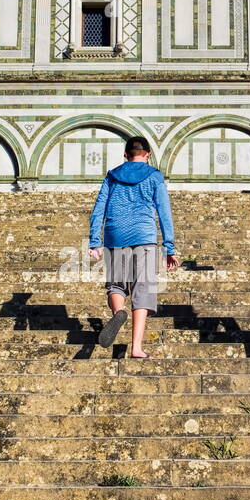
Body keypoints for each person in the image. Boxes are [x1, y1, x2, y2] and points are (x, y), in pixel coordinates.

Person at [88, 136, 179, 359]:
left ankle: (119, 313)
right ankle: (136, 348)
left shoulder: (112, 176)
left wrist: (94, 241)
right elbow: (164, 213)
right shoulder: (154, 176)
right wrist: (169, 247)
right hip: (144, 235)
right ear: (148, 155)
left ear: (126, 155)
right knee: (143, 290)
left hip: (114, 234)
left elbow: (99, 207)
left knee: (115, 286)